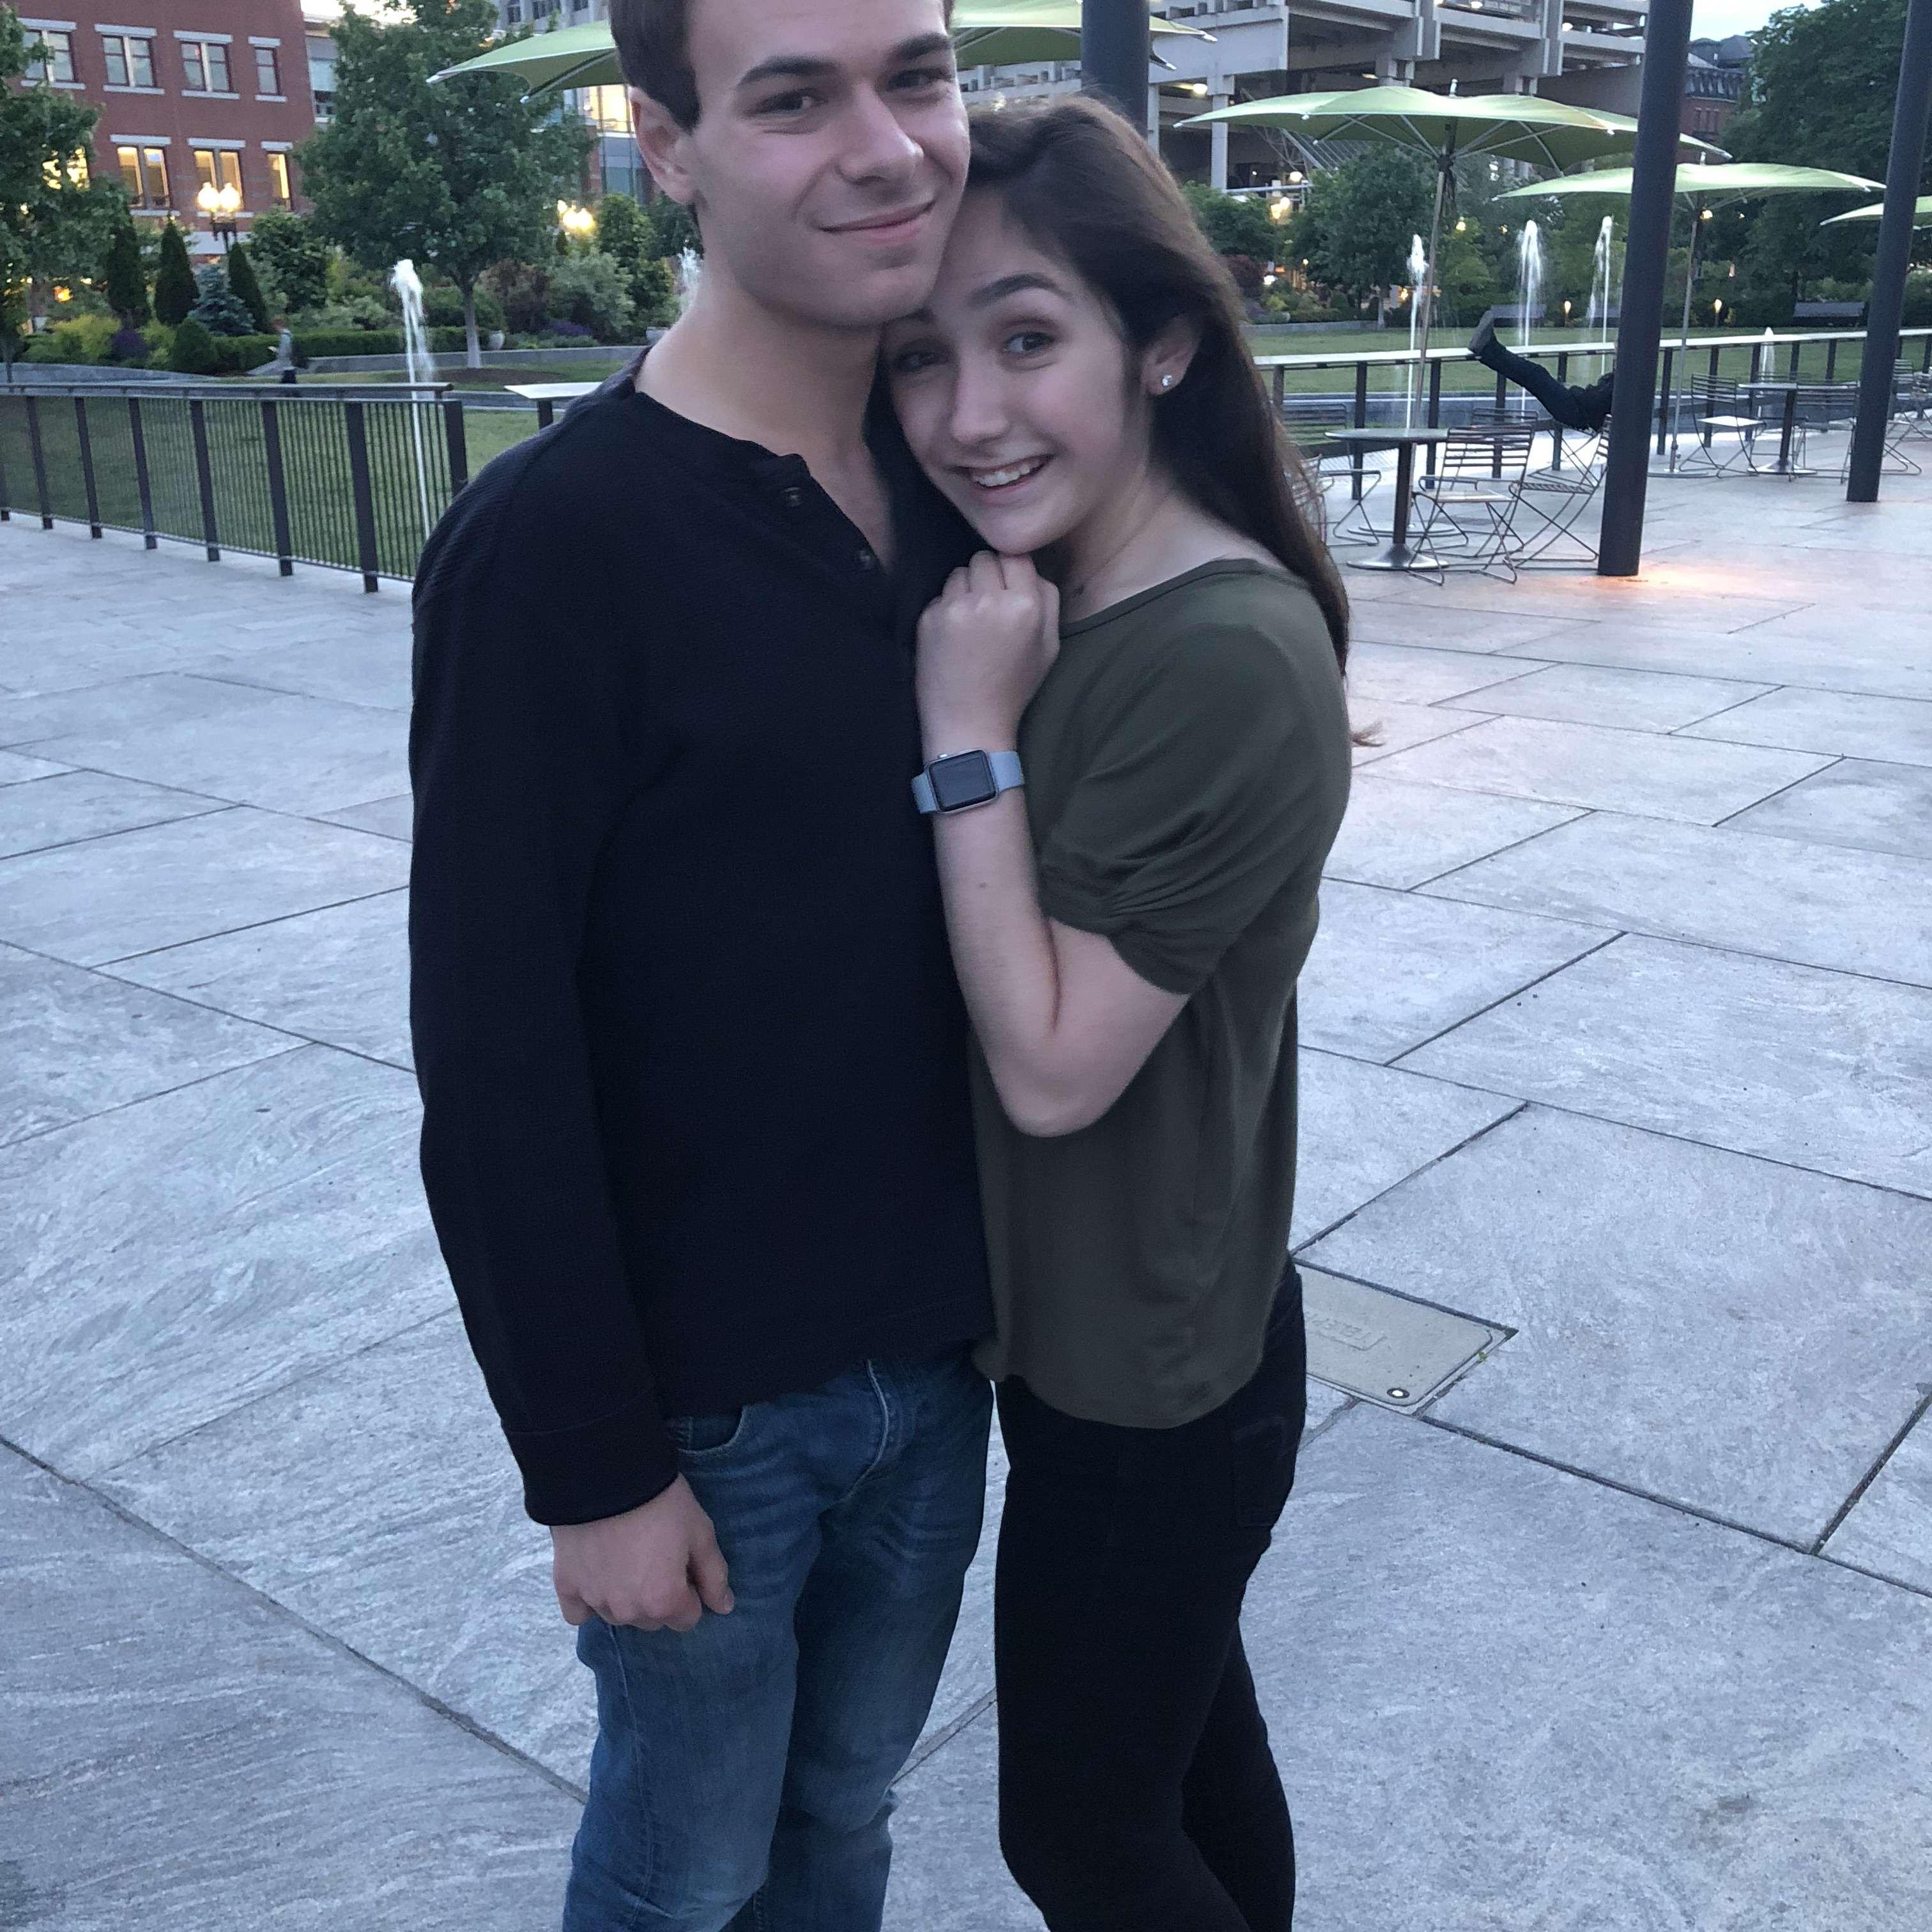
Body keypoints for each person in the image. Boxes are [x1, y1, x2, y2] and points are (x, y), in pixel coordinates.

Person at [406, 2, 997, 1928]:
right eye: (795, 98)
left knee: (846, 1822)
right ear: (666, 148)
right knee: (684, 1876)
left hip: (942, 1358)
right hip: (709, 1414)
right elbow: (493, 1048)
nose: (887, 147)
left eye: (917, 75)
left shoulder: (968, 486)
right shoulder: (554, 546)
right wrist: (591, 1469)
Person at [884, 98, 1354, 1931]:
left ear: (1161, 342)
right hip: (1126, 1333)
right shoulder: (1072, 599)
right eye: (923, 358)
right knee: (1186, 1766)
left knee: (1080, 1837)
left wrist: (964, 737)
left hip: (1152, 1378)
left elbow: (1057, 1066)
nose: (969, 416)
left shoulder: (1218, 651)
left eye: (1027, 339)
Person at [1468, 309, 1614, 433]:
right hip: (1581, 409)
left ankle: (1488, 349)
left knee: (1536, 375)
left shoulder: (1624, 383)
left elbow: (1596, 401)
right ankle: (1489, 349)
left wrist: (1576, 391)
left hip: (1578, 411)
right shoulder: (1625, 382)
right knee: (1535, 375)